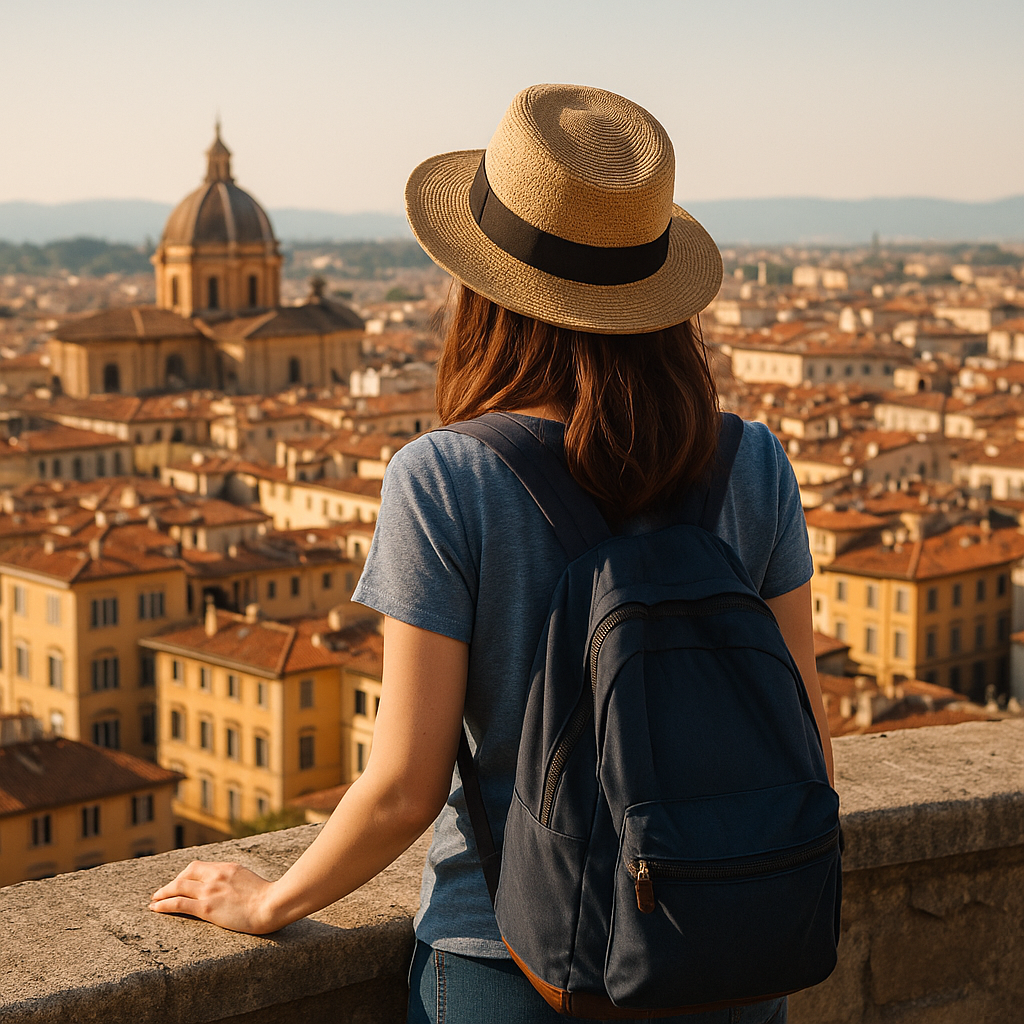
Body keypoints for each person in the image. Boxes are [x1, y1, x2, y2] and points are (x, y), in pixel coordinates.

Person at [150, 84, 834, 1024]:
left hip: (512, 960)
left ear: (482, 289)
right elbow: (806, 740)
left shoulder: (443, 479)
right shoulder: (754, 462)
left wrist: (269, 899)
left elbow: (403, 787)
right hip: (720, 951)